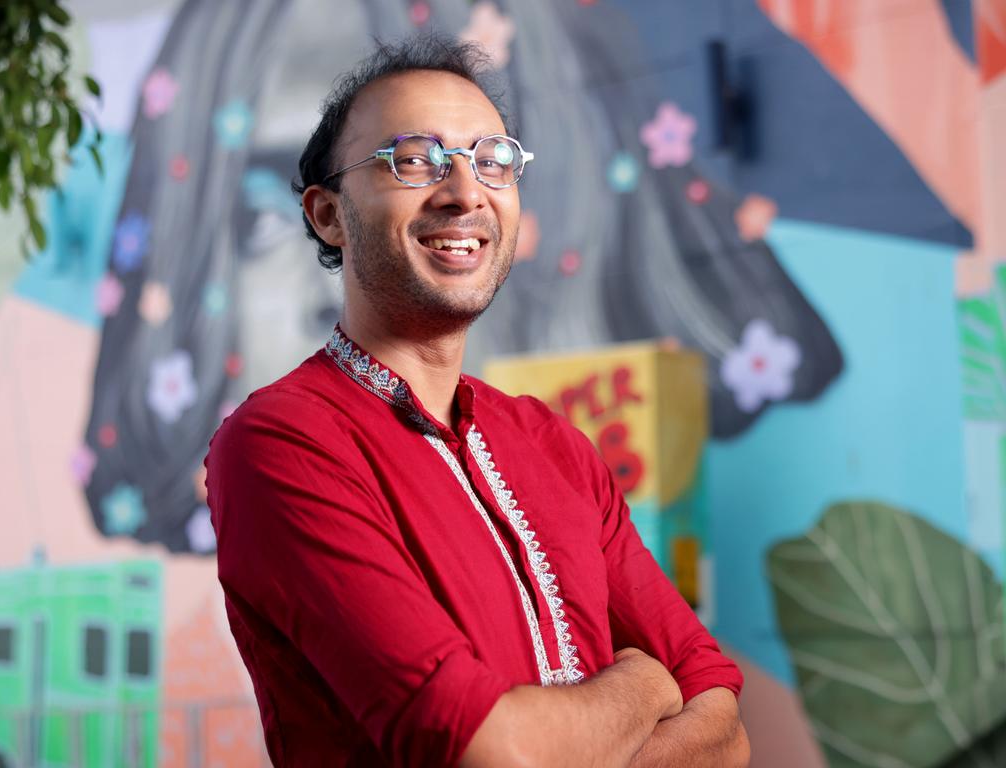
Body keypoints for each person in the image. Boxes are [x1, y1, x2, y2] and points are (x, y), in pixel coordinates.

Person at [204, 34, 750, 768]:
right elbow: (488, 749)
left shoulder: (553, 445)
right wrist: (646, 682)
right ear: (328, 214)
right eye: (414, 159)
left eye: (492, 160)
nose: (465, 193)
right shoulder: (282, 443)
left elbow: (723, 724)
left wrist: (619, 715)